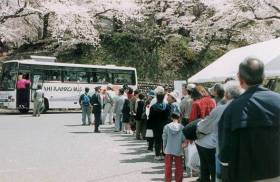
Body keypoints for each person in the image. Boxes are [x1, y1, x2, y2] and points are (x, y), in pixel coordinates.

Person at [218, 58, 280, 182]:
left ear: (240, 80)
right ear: (263, 77)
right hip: (276, 171)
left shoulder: (231, 109)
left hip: (244, 174)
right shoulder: (278, 101)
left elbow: (224, 150)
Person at [195, 82, 243, 182]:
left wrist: (198, 125)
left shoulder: (220, 109)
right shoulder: (245, 107)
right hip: (241, 152)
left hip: (220, 148)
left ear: (227, 94)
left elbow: (204, 126)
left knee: (215, 174)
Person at [163, 111, 186, 182]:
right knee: (179, 166)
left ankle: (168, 180)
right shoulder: (182, 127)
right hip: (178, 149)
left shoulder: (166, 126)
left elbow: (164, 138)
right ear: (179, 118)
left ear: (171, 118)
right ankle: (178, 180)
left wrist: (164, 148)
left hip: (168, 149)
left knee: (168, 166)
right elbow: (183, 139)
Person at [148, 91, 171, 160]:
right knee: (165, 140)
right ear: (163, 97)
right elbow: (169, 116)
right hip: (165, 125)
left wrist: (150, 126)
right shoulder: (167, 106)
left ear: (157, 98)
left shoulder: (153, 107)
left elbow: (150, 118)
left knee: (157, 140)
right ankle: (164, 154)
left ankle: (157, 155)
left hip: (156, 126)